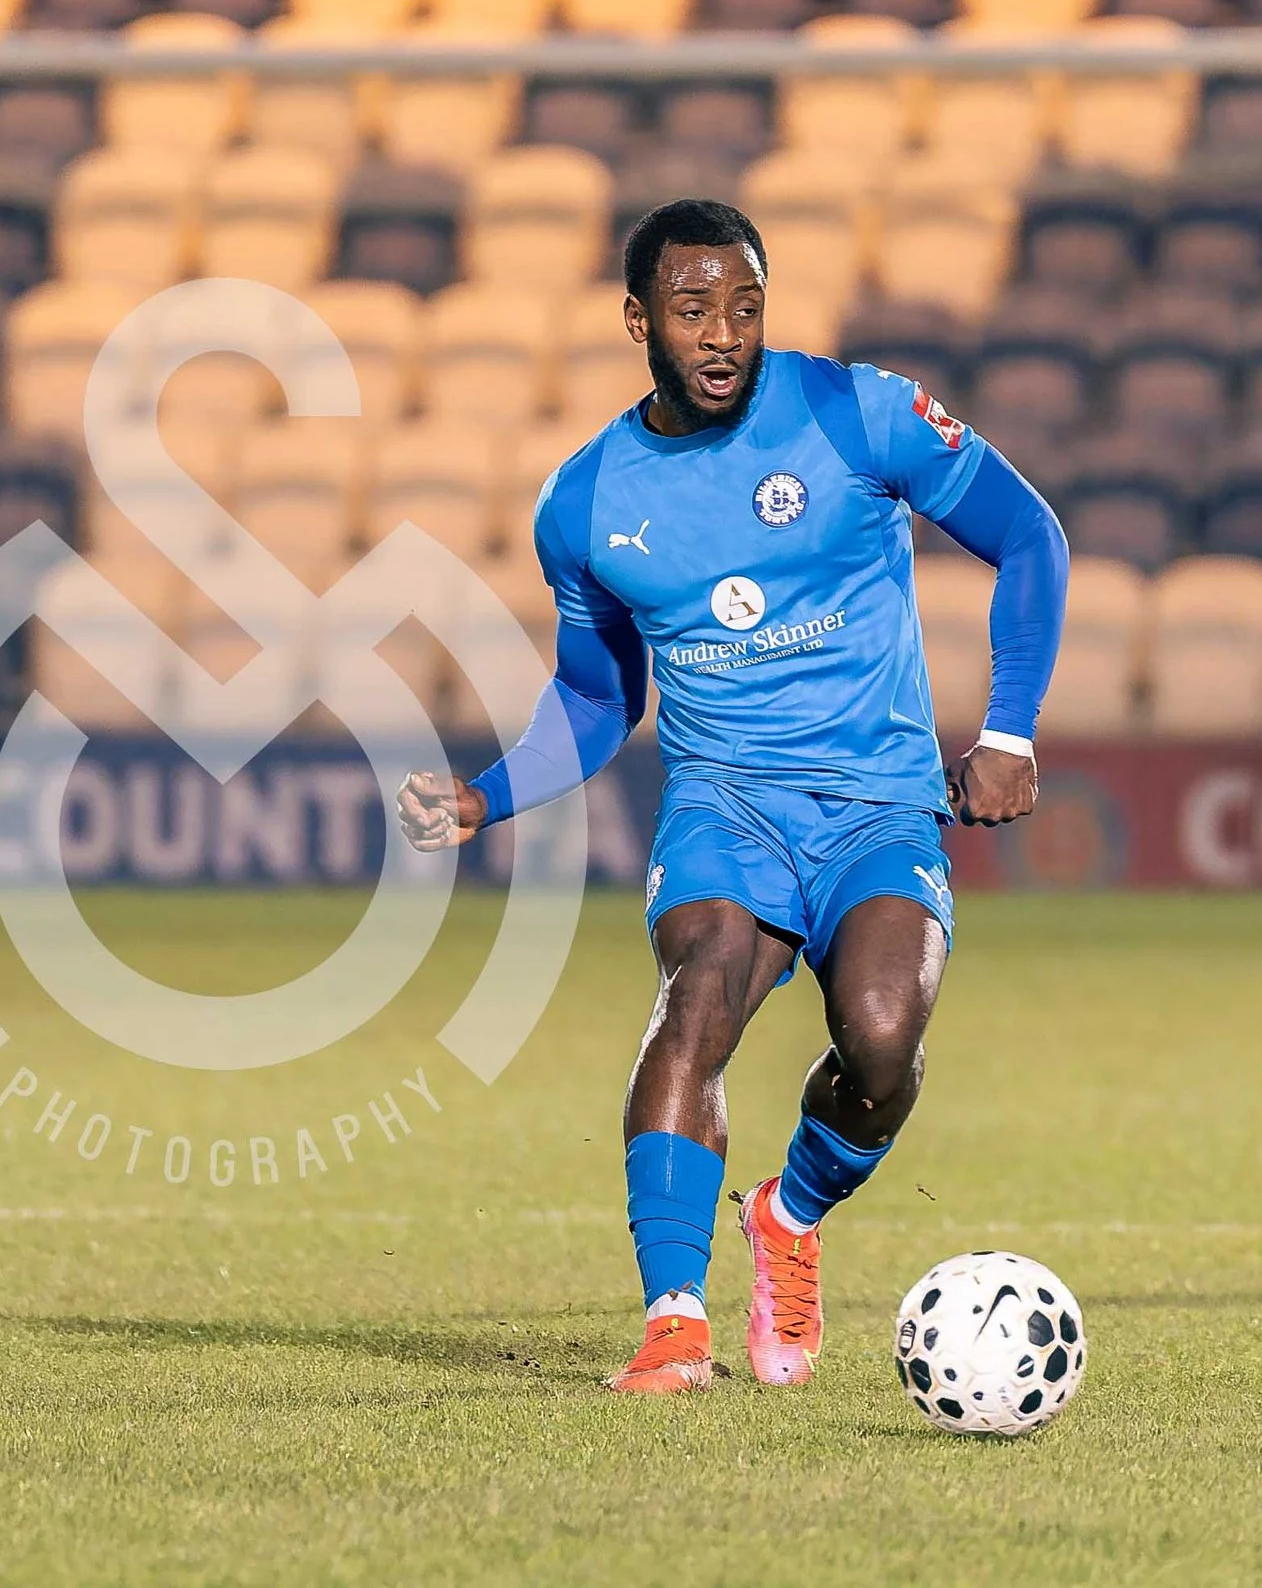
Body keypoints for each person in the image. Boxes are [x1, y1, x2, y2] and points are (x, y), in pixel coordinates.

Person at [395, 200, 1069, 1395]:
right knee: (696, 989)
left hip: (877, 805)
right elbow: (599, 702)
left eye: (744, 308)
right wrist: (488, 798)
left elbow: (1029, 535)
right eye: (693, 308)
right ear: (636, 317)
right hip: (726, 807)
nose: (721, 335)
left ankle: (789, 1216)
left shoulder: (853, 413)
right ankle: (672, 1323)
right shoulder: (588, 503)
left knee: (880, 1041)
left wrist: (1007, 728)